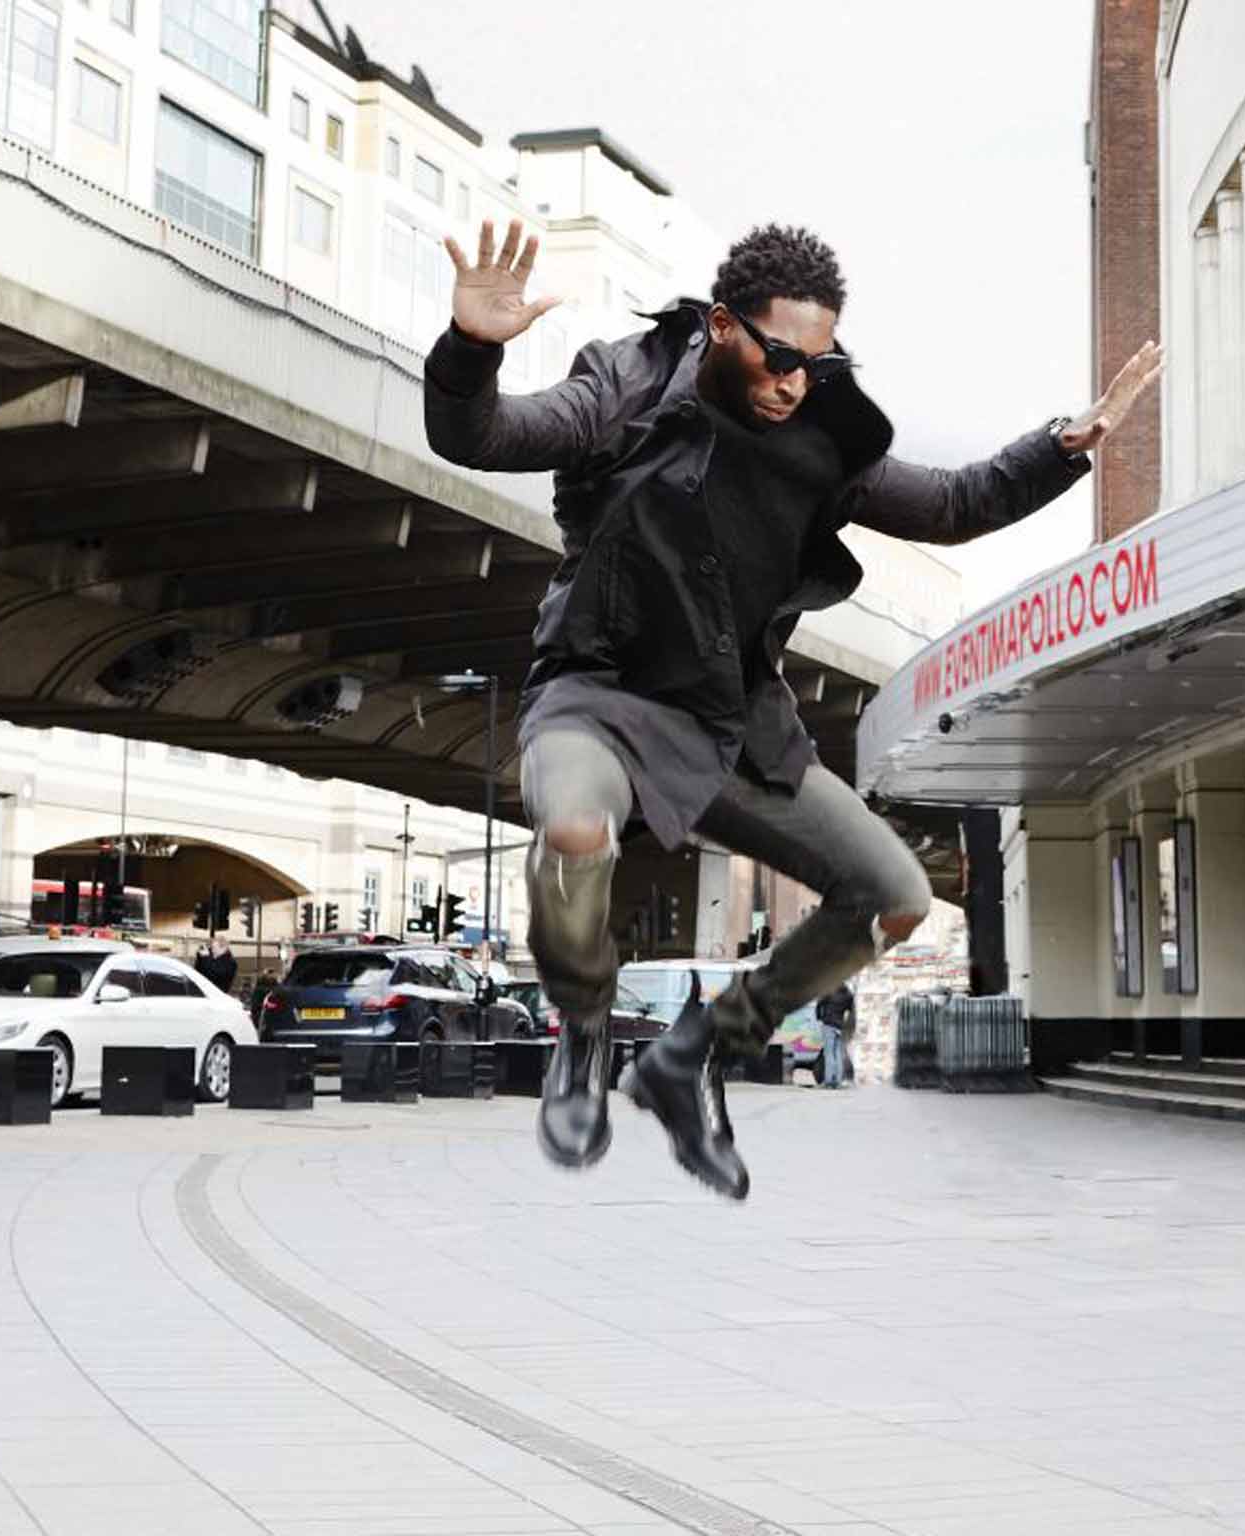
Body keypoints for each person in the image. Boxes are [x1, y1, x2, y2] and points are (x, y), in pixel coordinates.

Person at [426, 219, 1162, 1200]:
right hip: (598, 698)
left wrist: (1063, 446)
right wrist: (471, 349)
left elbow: (948, 502)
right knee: (570, 826)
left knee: (894, 897)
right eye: (777, 359)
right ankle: (584, 1031)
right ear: (724, 327)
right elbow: (482, 434)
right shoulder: (629, 385)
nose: (791, 384)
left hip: (731, 722)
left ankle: (690, 1055)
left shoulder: (822, 437)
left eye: (816, 366)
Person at [816, 982, 854, 1089]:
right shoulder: (848, 994)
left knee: (828, 1054)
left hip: (828, 1024)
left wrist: (819, 1017)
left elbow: (819, 1004)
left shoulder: (829, 990)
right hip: (840, 1026)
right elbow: (851, 1010)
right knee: (838, 1054)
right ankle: (837, 1081)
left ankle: (828, 1081)